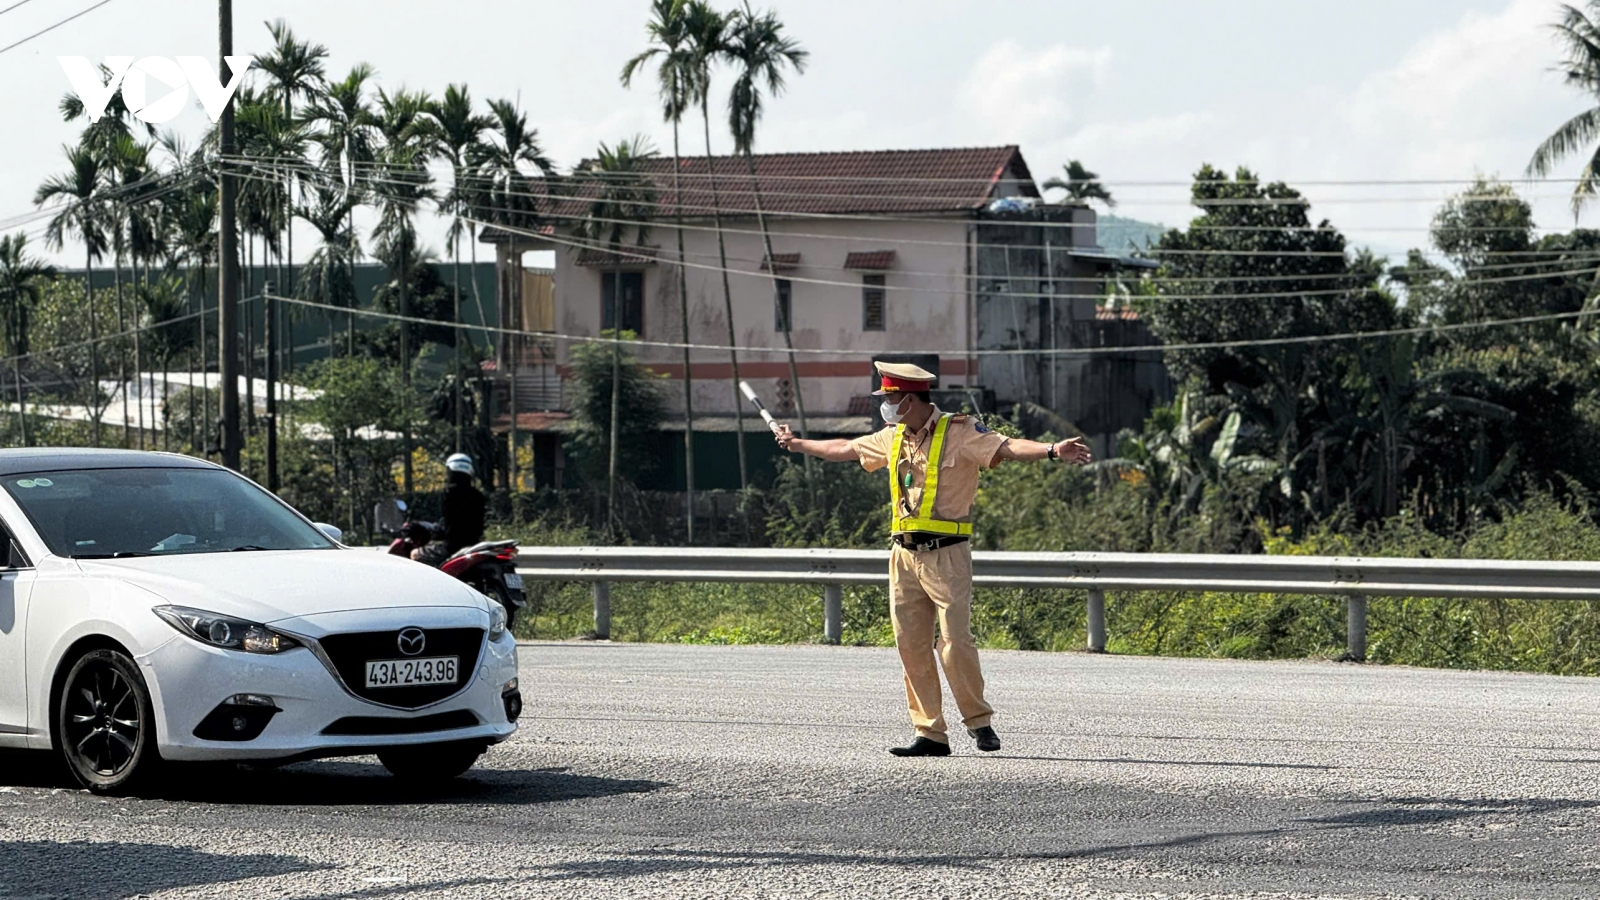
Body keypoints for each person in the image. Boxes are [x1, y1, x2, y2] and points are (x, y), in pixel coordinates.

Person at [774, 361, 1092, 757]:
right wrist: (797, 443)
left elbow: (1005, 447)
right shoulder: (893, 437)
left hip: (947, 556)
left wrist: (1050, 450)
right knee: (911, 645)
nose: (885, 407)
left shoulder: (959, 431)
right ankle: (930, 734)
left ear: (910, 399)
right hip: (903, 556)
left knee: (955, 643)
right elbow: (845, 449)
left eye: (890, 399)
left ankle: (979, 723)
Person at [439, 453, 486, 555]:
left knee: (415, 554)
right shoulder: (477, 495)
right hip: (474, 545)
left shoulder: (448, 494)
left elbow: (448, 525)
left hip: (452, 548)